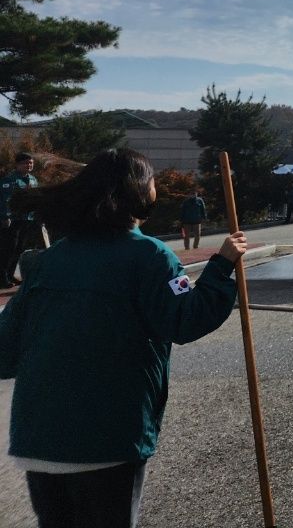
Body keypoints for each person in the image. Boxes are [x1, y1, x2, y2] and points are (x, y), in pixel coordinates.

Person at [0, 147, 247, 528]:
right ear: (136, 191)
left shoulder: (48, 261)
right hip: (107, 439)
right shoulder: (150, 256)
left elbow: (4, 351)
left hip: (39, 442)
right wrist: (222, 265)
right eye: (151, 179)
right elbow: (184, 319)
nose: (155, 186)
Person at [0, 152, 39, 288]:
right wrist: (5, 217)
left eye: (31, 163)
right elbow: (6, 200)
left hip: (27, 218)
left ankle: (10, 274)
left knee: (19, 249)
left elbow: (35, 200)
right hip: (13, 220)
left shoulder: (33, 180)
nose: (29, 165)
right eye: (26, 163)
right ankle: (2, 276)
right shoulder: (10, 180)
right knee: (9, 248)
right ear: (17, 165)